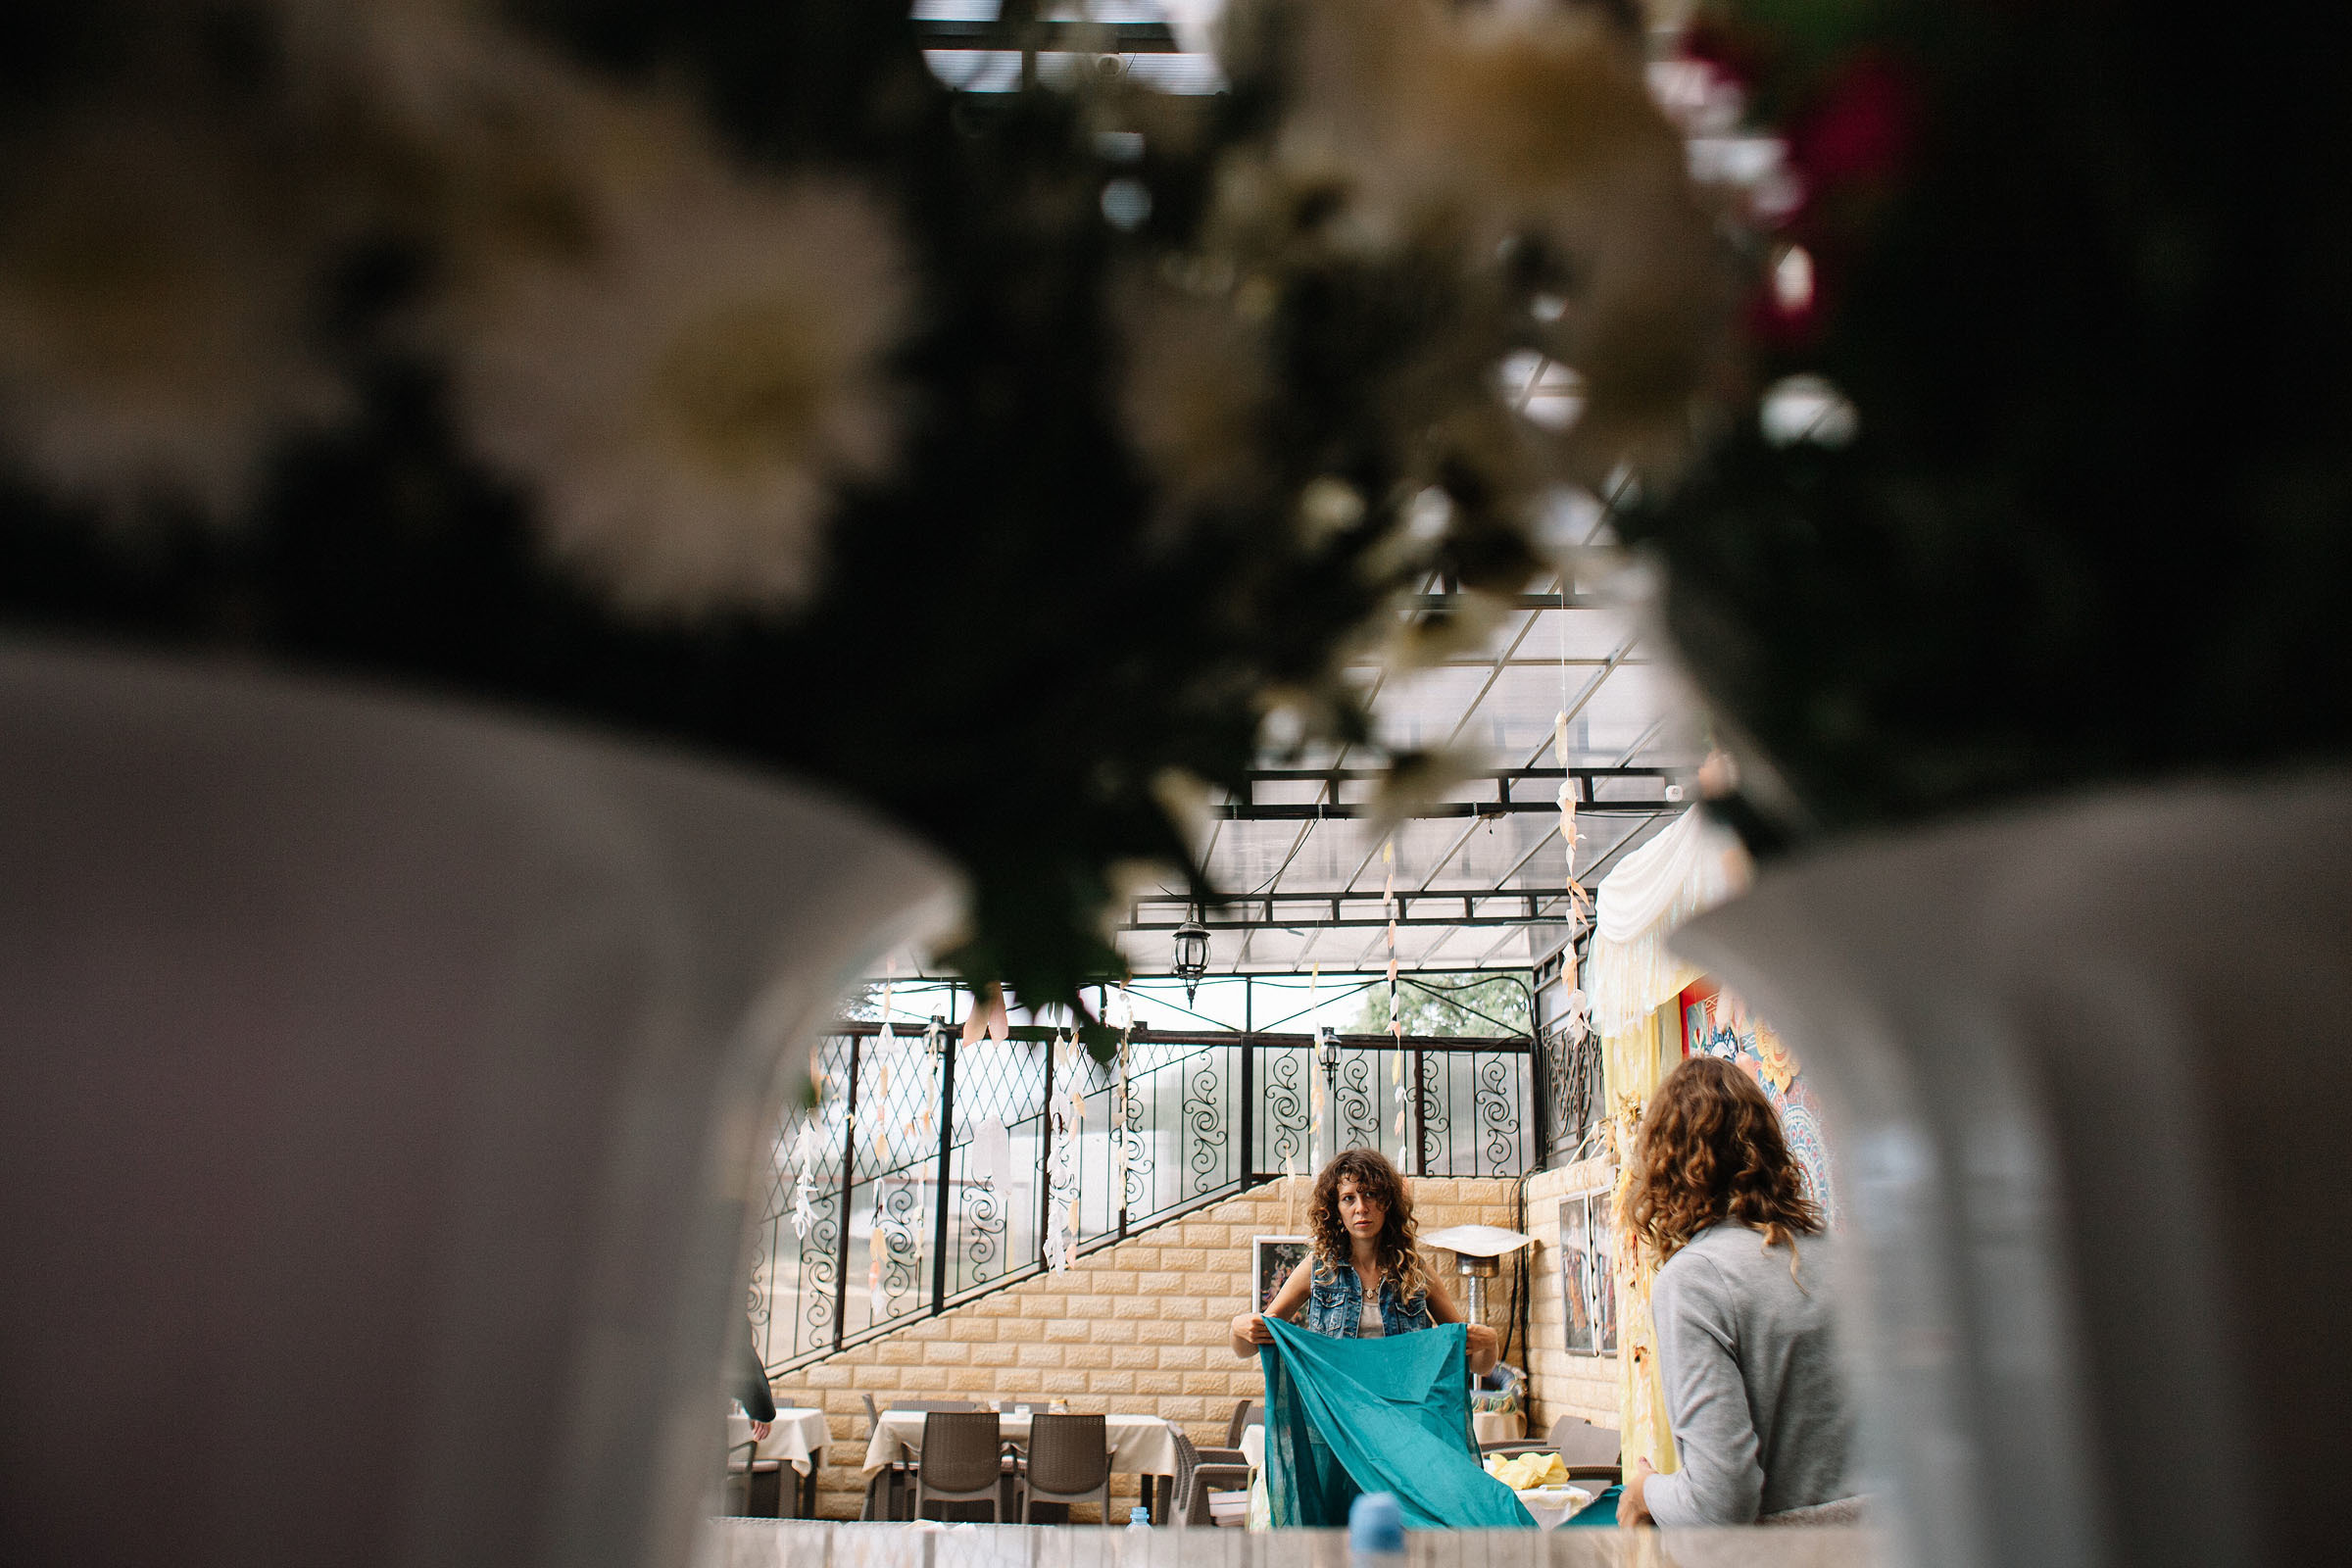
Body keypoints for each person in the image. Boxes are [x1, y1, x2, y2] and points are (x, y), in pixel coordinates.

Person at [1614, 1056, 1859, 1526]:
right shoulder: (1841, 1256)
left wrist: (1645, 1491)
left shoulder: (1695, 1280)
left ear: (1665, 1164)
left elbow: (1719, 1505)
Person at [1229, 1149, 1498, 1373]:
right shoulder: (1318, 1270)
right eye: (1348, 1198)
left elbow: (1477, 1364)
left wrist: (1490, 1343)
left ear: (1388, 1201)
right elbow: (1250, 1346)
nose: (1361, 1208)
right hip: (1339, 1416)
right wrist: (1238, 1330)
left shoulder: (1415, 1272)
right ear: (1335, 1210)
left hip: (1403, 1413)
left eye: (1370, 1194)